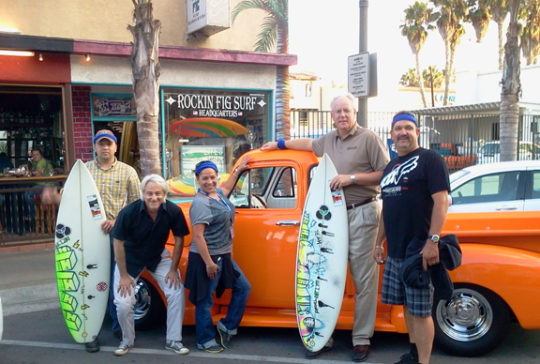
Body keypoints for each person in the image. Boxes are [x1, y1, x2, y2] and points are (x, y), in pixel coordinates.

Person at [261, 93, 389, 362]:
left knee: (364, 279)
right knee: (324, 274)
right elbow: (308, 143)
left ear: (355, 112)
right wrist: (280, 143)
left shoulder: (368, 138)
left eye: (346, 110)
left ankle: (361, 338)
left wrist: (350, 178)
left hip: (363, 211)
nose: (342, 115)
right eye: (338, 111)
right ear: (331, 115)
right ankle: (321, 335)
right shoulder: (328, 140)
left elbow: (385, 173)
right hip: (333, 216)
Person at [42, 128, 141, 352]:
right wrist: (54, 197)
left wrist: (117, 220)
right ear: (94, 147)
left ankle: (118, 327)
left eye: (109, 144)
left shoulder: (128, 172)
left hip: (118, 236)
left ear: (115, 147)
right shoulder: (83, 172)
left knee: (117, 283)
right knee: (92, 282)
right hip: (89, 239)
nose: (105, 147)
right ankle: (91, 330)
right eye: (100, 144)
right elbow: (69, 199)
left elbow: (137, 205)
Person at [374, 111, 450, 364]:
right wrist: (377, 242)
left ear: (417, 132)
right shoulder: (390, 166)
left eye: (408, 127)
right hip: (395, 251)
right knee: (406, 306)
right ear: (392, 134)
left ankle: (423, 362)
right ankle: (413, 354)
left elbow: (441, 202)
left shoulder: (431, 159)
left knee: (420, 311)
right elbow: (387, 208)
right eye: (398, 128)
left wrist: (433, 241)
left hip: (418, 252)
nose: (403, 132)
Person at [112, 174, 190, 356]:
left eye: (158, 193)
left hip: (158, 257)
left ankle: (174, 340)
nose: (154, 197)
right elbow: (117, 243)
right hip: (130, 260)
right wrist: (123, 275)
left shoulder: (173, 211)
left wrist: (172, 270)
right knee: (123, 304)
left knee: (176, 291)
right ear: (143, 194)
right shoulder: (129, 212)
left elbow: (179, 239)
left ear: (164, 194)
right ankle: (127, 340)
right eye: (149, 193)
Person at [184, 158, 251, 353]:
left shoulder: (218, 194)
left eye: (213, 177)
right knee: (205, 300)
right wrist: (208, 264)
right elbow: (198, 236)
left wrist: (238, 169)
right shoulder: (201, 203)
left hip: (223, 255)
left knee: (243, 287)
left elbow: (227, 187)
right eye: (205, 178)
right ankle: (204, 339)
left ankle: (227, 326)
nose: (209, 181)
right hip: (208, 258)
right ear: (197, 179)